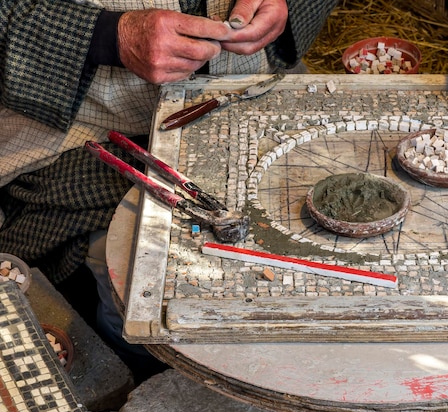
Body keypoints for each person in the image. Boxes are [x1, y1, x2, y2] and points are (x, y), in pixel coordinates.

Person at [0, 0, 337, 382]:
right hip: (83, 119)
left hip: (249, 82)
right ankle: (151, 375)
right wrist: (108, 36)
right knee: (140, 289)